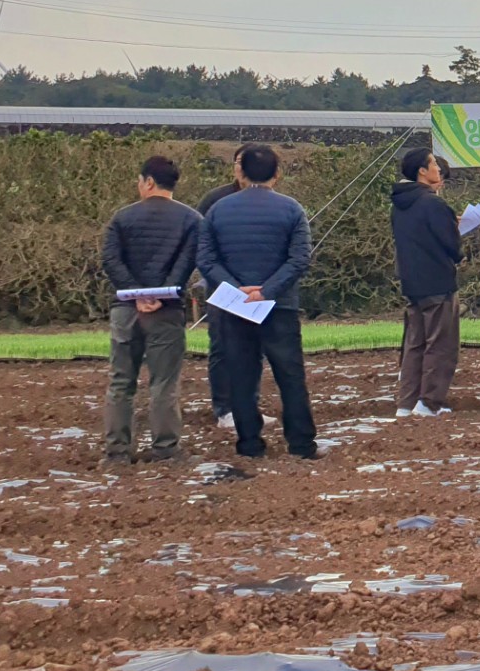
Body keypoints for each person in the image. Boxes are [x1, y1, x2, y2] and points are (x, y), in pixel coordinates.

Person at [197, 144, 319, 460]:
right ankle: (301, 444)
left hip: (234, 306)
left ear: (241, 171)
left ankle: (249, 444)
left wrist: (237, 290)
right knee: (290, 376)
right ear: (277, 174)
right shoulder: (292, 209)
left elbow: (206, 260)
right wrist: (266, 291)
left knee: (240, 375)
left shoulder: (217, 210)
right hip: (280, 306)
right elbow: (300, 259)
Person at [99, 155, 201, 466]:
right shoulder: (193, 220)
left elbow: (110, 261)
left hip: (125, 310)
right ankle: (166, 450)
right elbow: (187, 263)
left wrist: (135, 293)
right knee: (164, 383)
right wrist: (161, 294)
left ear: (149, 182)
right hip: (167, 311)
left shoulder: (122, 218)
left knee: (121, 382)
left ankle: (116, 452)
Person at [390, 148, 462, 419]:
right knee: (441, 344)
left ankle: (406, 404)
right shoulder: (433, 204)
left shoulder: (399, 204)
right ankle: (430, 402)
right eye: (433, 164)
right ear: (422, 170)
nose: (438, 170)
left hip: (411, 281)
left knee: (415, 343)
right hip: (437, 280)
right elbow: (453, 246)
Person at [196, 144, 254, 429]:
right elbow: (203, 247)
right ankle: (223, 409)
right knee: (221, 347)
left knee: (252, 347)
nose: (242, 169)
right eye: (239, 163)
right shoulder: (215, 199)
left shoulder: (267, 200)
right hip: (221, 285)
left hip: (257, 287)